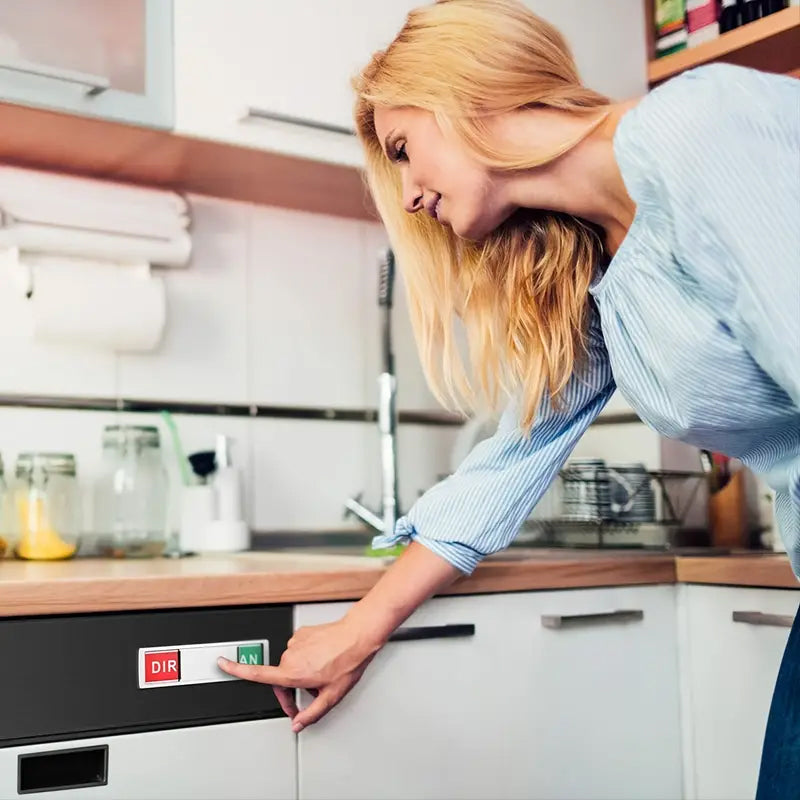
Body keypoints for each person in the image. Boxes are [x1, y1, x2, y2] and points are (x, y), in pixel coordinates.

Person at [219, 0, 799, 793]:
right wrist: (358, 630)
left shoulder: (699, 127)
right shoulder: (604, 274)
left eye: (401, 148)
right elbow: (515, 457)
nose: (409, 192)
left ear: (464, 91)